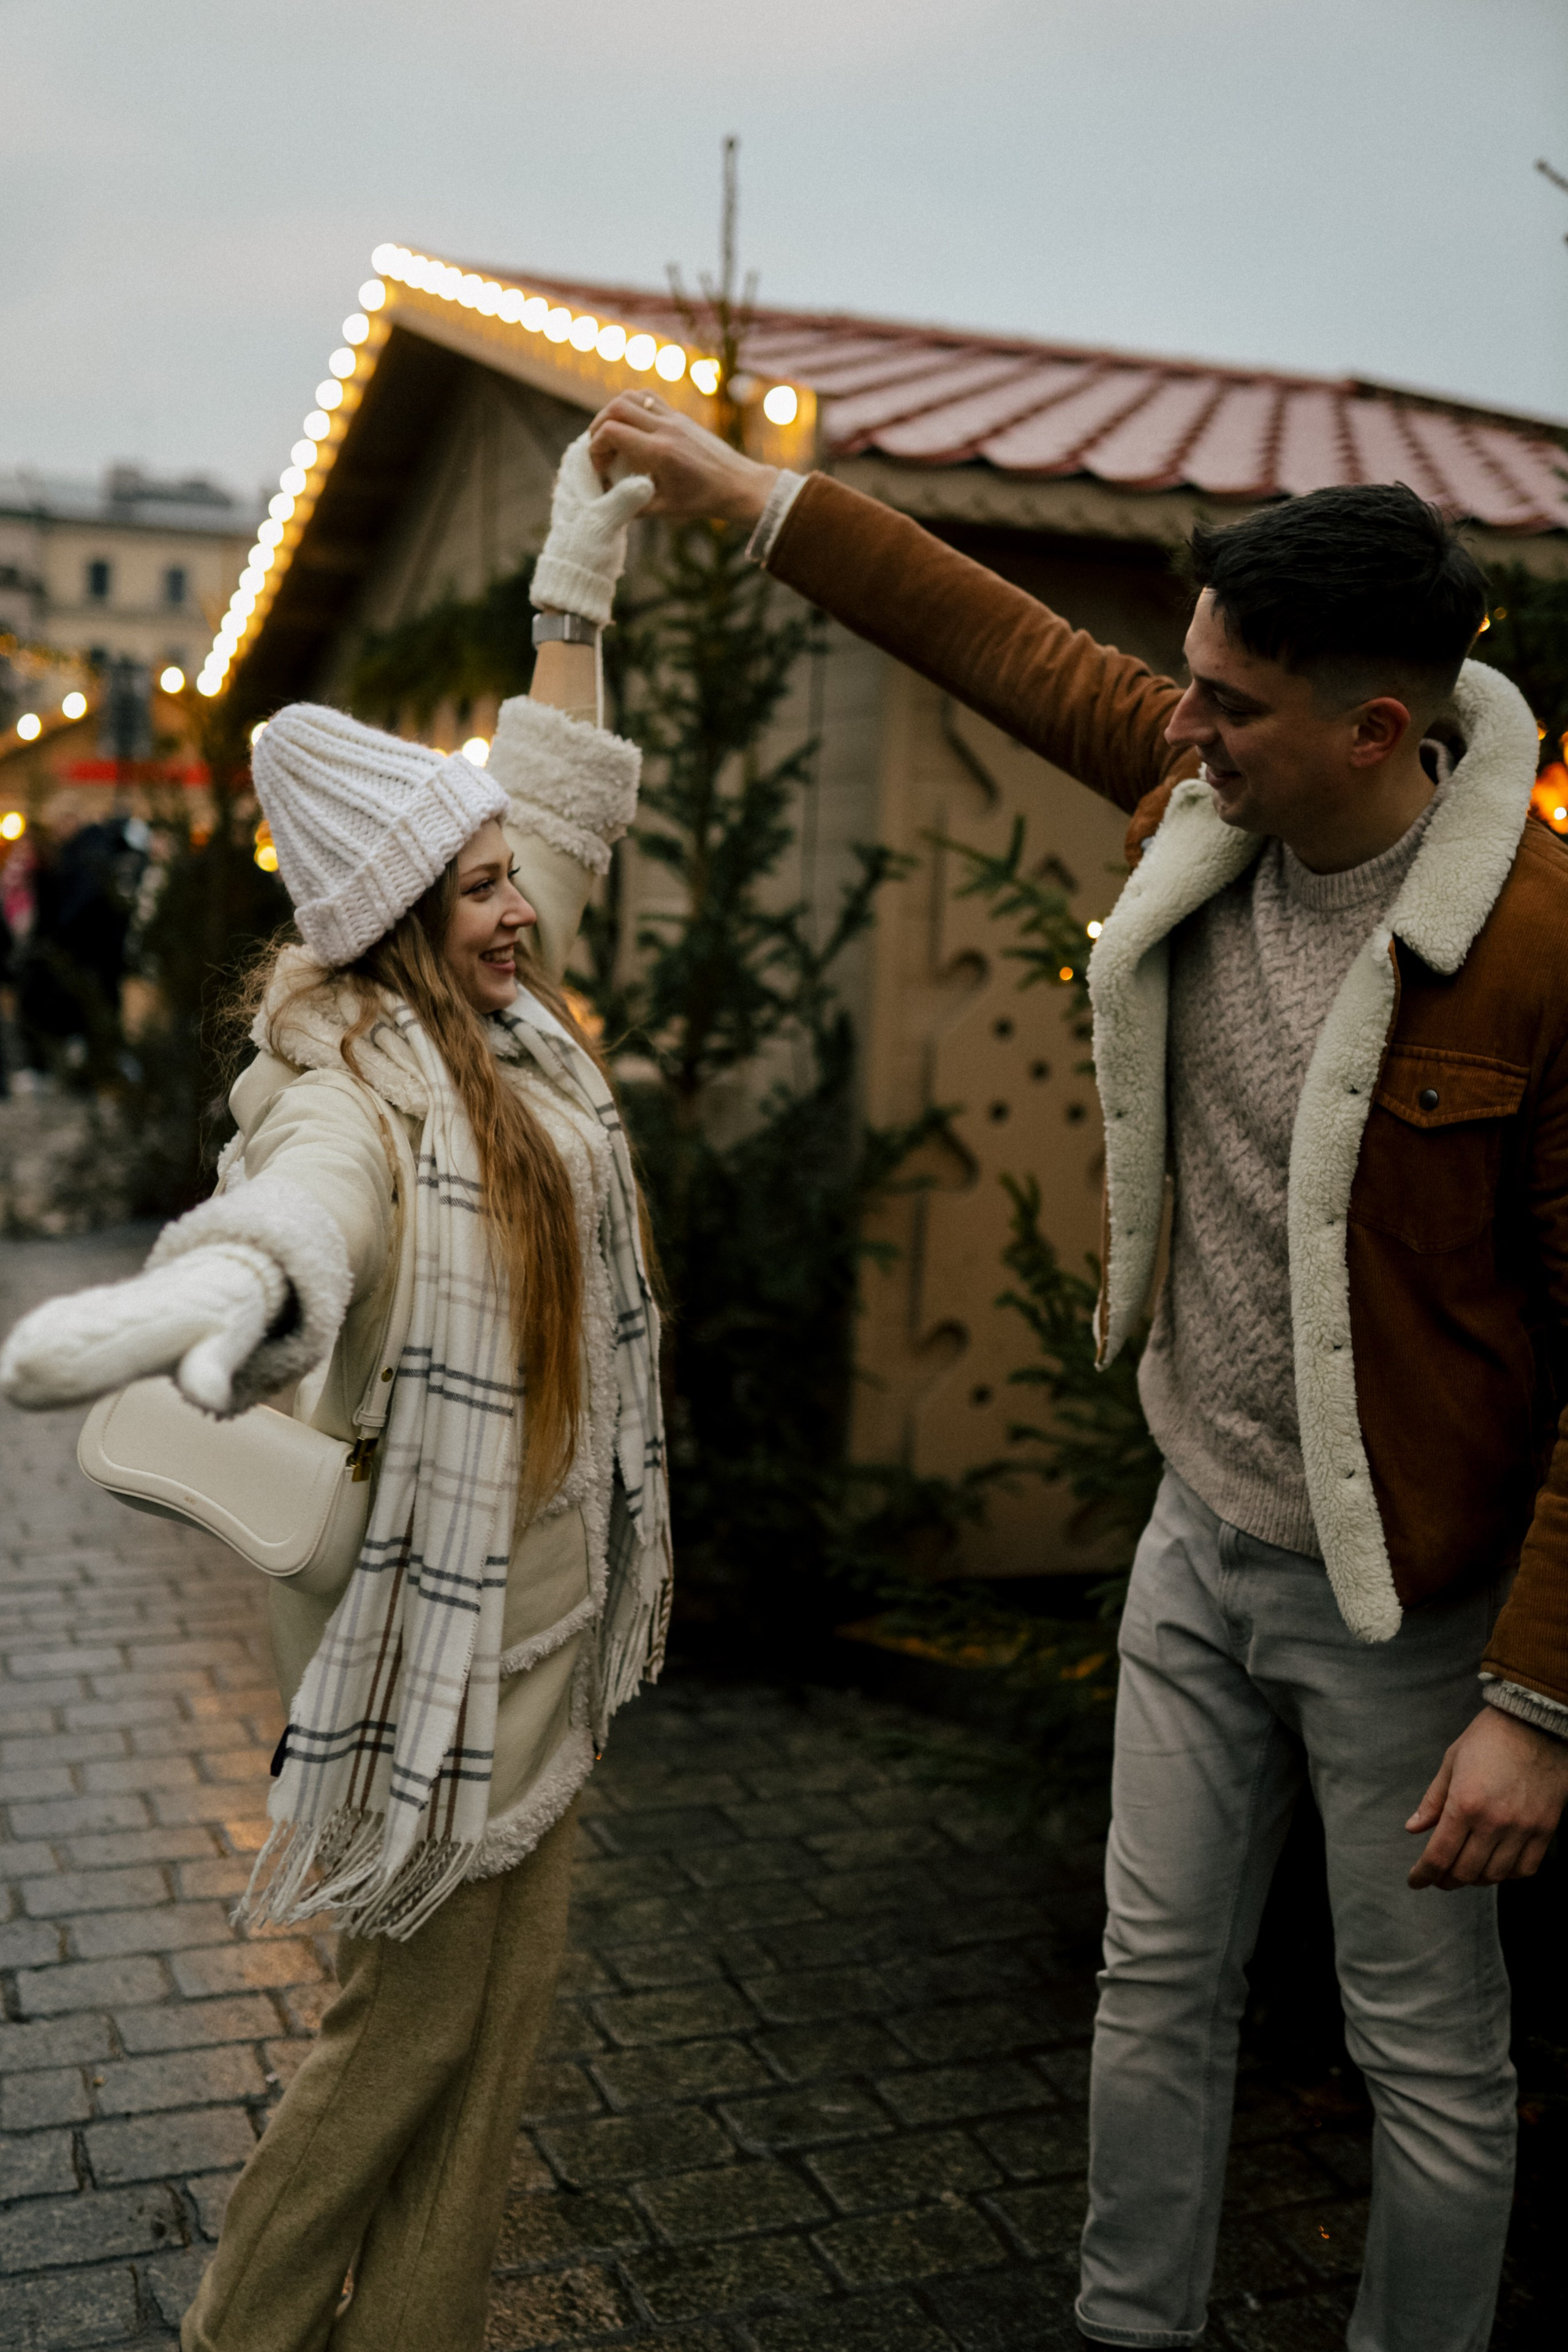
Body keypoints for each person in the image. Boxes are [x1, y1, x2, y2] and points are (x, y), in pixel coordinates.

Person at [584, 393, 1568, 2352]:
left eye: (1231, 704)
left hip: (1411, 1609)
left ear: (1377, 730)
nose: (1179, 723)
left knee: (1429, 2058)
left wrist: (1536, 1701)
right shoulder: (1210, 799)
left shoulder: (1535, 952)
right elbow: (998, 639)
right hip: (1197, 1541)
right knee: (1153, 1984)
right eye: (1187, 683)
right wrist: (745, 491)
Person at [0, 443, 663, 2352]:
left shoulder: (509, 1020)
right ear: (397, 926)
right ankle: (248, 2331)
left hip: (547, 1618)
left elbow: (555, 790)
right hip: (429, 1654)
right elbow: (308, 1200)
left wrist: (573, 581)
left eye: (509, 878)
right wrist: (228, 1283)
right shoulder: (355, 1084)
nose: (520, 906)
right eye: (480, 890)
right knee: (401, 2040)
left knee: (490, 2051)